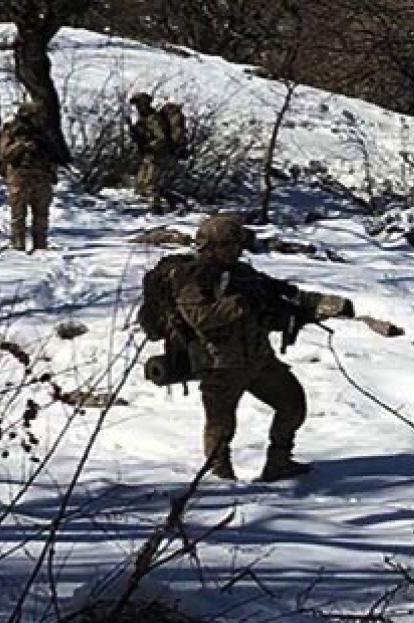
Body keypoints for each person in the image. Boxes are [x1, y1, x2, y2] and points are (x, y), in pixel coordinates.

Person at [139, 214, 352, 482]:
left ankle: (279, 463)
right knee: (221, 426)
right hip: (218, 364)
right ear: (210, 246)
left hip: (258, 358)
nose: (236, 250)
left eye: (237, 244)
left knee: (292, 404)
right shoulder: (190, 276)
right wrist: (241, 303)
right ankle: (219, 477)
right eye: (228, 244)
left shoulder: (241, 273)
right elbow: (200, 318)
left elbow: (276, 292)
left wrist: (311, 305)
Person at [0, 102, 59, 251]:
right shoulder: (12, 130)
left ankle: (40, 246)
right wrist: (21, 145)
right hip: (20, 177)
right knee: (18, 216)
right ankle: (18, 246)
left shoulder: (44, 132)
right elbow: (4, 154)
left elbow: (55, 154)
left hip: (42, 176)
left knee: (41, 216)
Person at [129, 92, 188, 213]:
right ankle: (175, 202)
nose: (138, 107)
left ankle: (159, 209)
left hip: (159, 155)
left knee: (151, 185)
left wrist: (149, 145)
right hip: (151, 155)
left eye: (140, 104)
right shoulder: (144, 118)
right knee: (142, 186)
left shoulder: (153, 119)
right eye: (137, 105)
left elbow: (161, 138)